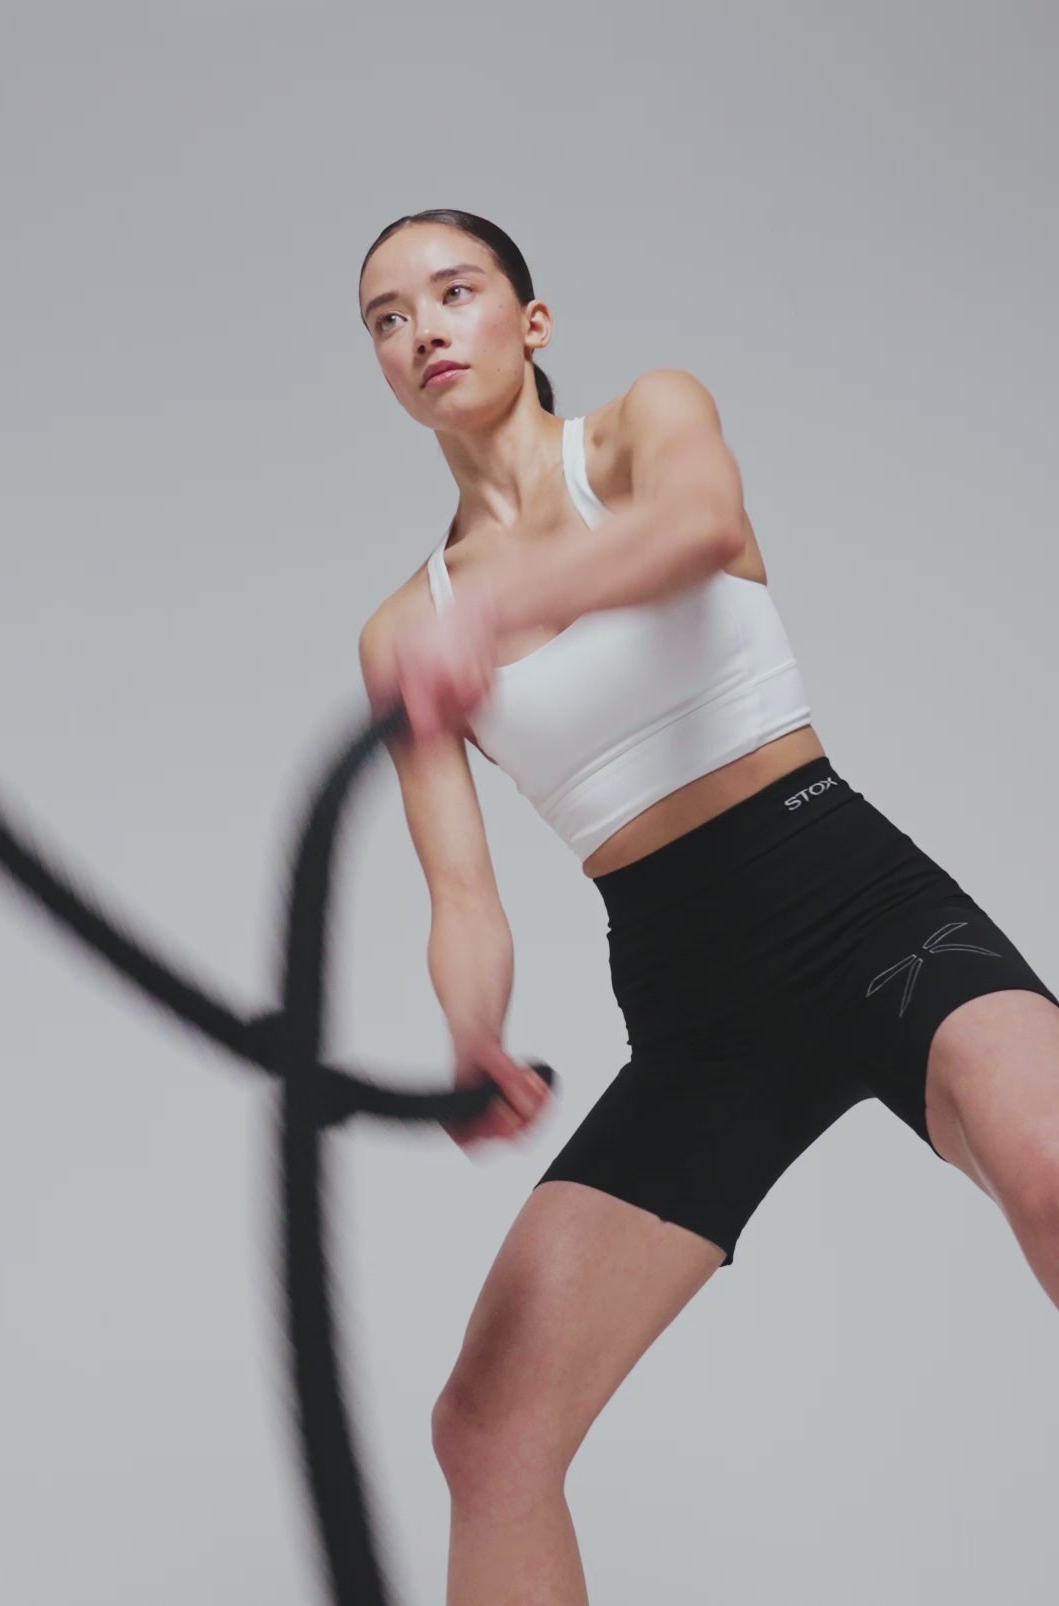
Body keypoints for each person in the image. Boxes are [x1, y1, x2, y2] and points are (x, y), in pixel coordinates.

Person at [355, 208, 1059, 1605]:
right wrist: (473, 1038)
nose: (423, 327)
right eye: (386, 315)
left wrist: (505, 611)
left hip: (862, 911)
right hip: (691, 1006)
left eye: (454, 290)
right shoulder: (400, 630)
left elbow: (702, 526)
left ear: (530, 321)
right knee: (486, 1427)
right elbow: (462, 896)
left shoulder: (634, 428)